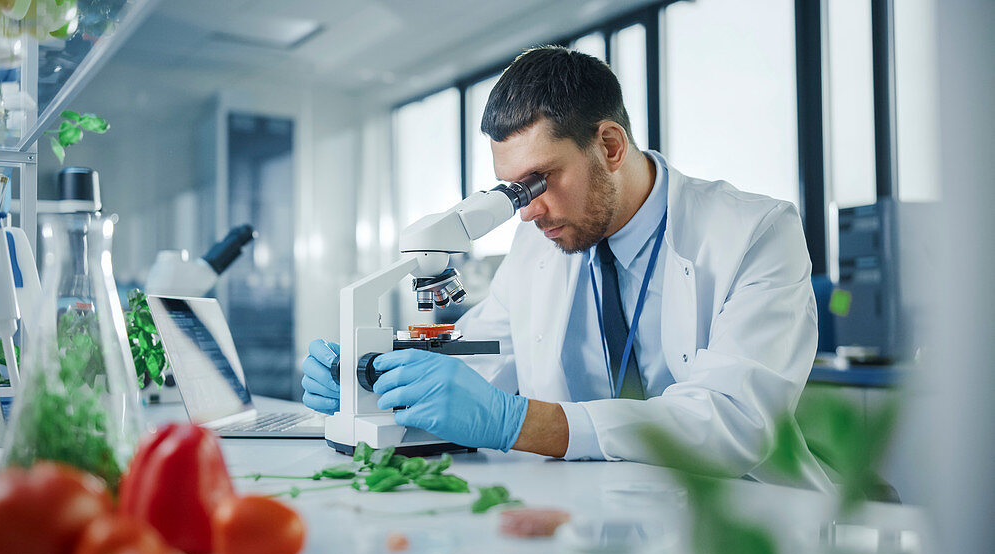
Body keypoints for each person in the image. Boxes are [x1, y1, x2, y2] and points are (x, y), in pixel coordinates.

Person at [302, 46, 831, 491]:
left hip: (748, 520)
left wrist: (521, 423)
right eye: (514, 189)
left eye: (541, 179)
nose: (529, 209)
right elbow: (473, 367)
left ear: (609, 146)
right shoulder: (542, 245)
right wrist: (369, 381)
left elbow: (735, 421)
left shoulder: (756, 231)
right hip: (596, 511)